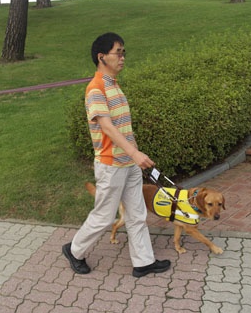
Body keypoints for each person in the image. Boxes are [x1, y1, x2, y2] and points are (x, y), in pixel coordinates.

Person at [62, 32, 171, 278]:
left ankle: (143, 262)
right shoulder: (96, 88)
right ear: (102, 57)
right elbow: (107, 127)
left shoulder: (114, 85)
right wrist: (135, 152)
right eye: (118, 52)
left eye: (123, 52)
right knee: (104, 216)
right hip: (111, 165)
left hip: (128, 163)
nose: (122, 57)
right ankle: (75, 250)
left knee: (137, 213)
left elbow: (122, 127)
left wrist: (134, 157)